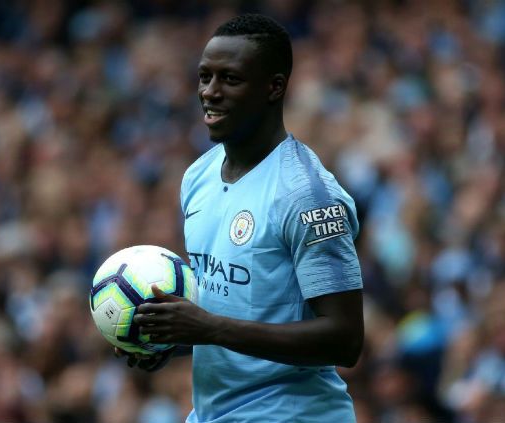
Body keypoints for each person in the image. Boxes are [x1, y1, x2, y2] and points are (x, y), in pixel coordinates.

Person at [124, 14, 365, 422]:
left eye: (230, 80)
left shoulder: (306, 196)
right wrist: (169, 340)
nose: (210, 93)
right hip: (213, 413)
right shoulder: (197, 176)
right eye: (204, 77)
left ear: (274, 87)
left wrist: (208, 329)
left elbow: (344, 340)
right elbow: (237, 315)